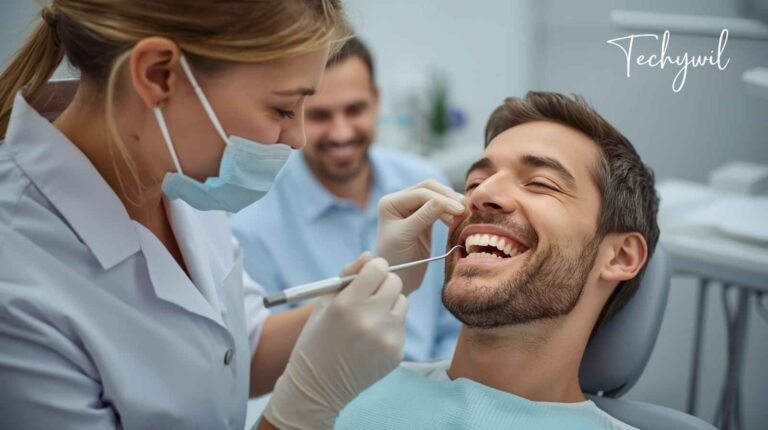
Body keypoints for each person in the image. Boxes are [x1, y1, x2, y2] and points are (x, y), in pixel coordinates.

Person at [0, 1, 466, 429]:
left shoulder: (177, 170)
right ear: (160, 75)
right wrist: (301, 409)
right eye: (283, 108)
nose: (298, 138)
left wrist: (384, 278)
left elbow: (238, 348)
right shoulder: (17, 283)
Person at [336, 92, 660, 429]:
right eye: (474, 181)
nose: (481, 194)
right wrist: (377, 285)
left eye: (540, 183)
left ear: (621, 256)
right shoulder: (343, 391)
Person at [231, 37, 460, 361]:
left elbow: (455, 325)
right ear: (293, 113)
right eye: (320, 115)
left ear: (376, 101)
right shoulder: (251, 224)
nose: (341, 133)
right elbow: (259, 360)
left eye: (355, 110)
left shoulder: (424, 183)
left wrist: (436, 389)